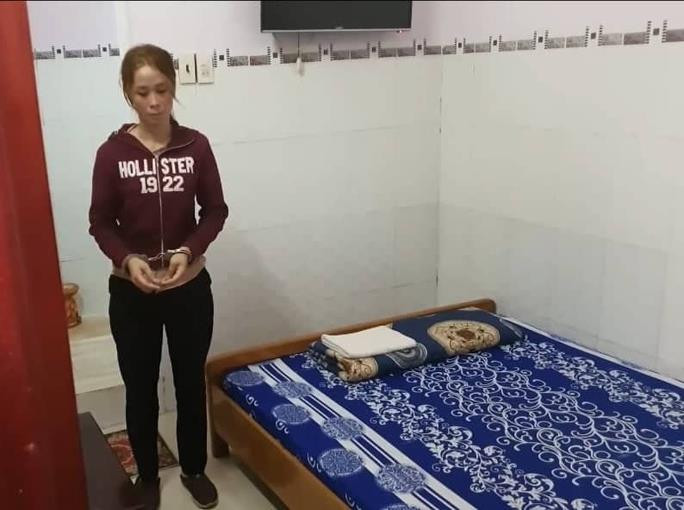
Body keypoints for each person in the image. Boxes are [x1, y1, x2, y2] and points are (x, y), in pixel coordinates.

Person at [88, 44, 228, 510]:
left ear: (173, 87)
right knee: (141, 387)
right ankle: (147, 476)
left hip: (189, 289)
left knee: (189, 382)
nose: (154, 102)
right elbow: (100, 222)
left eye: (162, 90)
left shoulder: (196, 146)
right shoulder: (112, 154)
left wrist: (189, 250)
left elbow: (215, 210)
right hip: (132, 292)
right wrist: (128, 259)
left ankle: (194, 470)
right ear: (128, 94)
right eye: (143, 92)